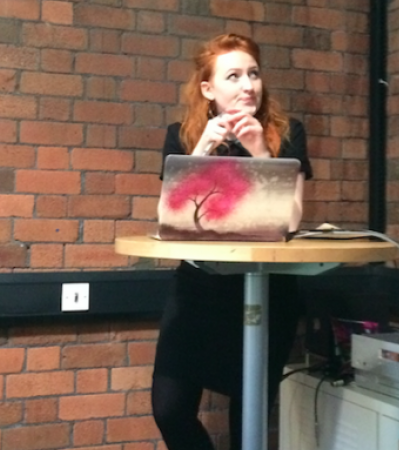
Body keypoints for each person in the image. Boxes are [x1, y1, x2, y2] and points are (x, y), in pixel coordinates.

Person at [151, 33, 313, 450]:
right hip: (198, 289)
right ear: (208, 89)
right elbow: (172, 217)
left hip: (265, 289)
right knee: (169, 408)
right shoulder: (182, 136)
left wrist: (261, 153)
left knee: (249, 419)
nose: (248, 86)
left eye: (253, 74)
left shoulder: (285, 133)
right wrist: (204, 147)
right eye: (234, 76)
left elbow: (291, 219)